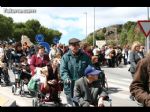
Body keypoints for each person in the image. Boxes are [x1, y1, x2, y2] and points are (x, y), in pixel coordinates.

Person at [60, 38, 92, 106]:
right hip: (70, 86)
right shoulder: (65, 57)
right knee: (72, 104)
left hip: (82, 85)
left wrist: (90, 77)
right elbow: (63, 70)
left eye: (77, 44)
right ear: (69, 46)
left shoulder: (85, 56)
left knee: (83, 104)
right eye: (74, 45)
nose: (76, 46)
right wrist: (66, 78)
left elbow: (90, 69)